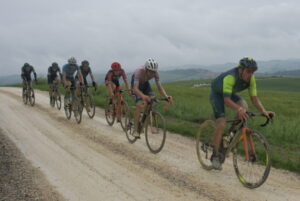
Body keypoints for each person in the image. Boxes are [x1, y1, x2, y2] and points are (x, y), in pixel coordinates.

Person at [209, 57, 275, 170]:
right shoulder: (230, 77)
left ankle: (228, 136)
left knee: (244, 105)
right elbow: (226, 100)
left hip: (229, 93)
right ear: (240, 70)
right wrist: (239, 110)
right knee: (221, 123)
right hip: (217, 95)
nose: (250, 74)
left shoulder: (251, 79)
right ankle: (215, 155)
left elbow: (254, 99)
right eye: (248, 71)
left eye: (253, 72)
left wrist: (263, 111)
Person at [131, 58, 173, 138]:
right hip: (137, 84)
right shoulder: (139, 71)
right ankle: (135, 129)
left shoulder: (156, 73)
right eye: (150, 71)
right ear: (146, 69)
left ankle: (143, 121)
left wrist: (166, 96)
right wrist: (143, 96)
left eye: (153, 72)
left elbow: (159, 87)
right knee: (139, 104)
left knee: (152, 98)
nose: (152, 74)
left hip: (145, 83)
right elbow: (135, 89)